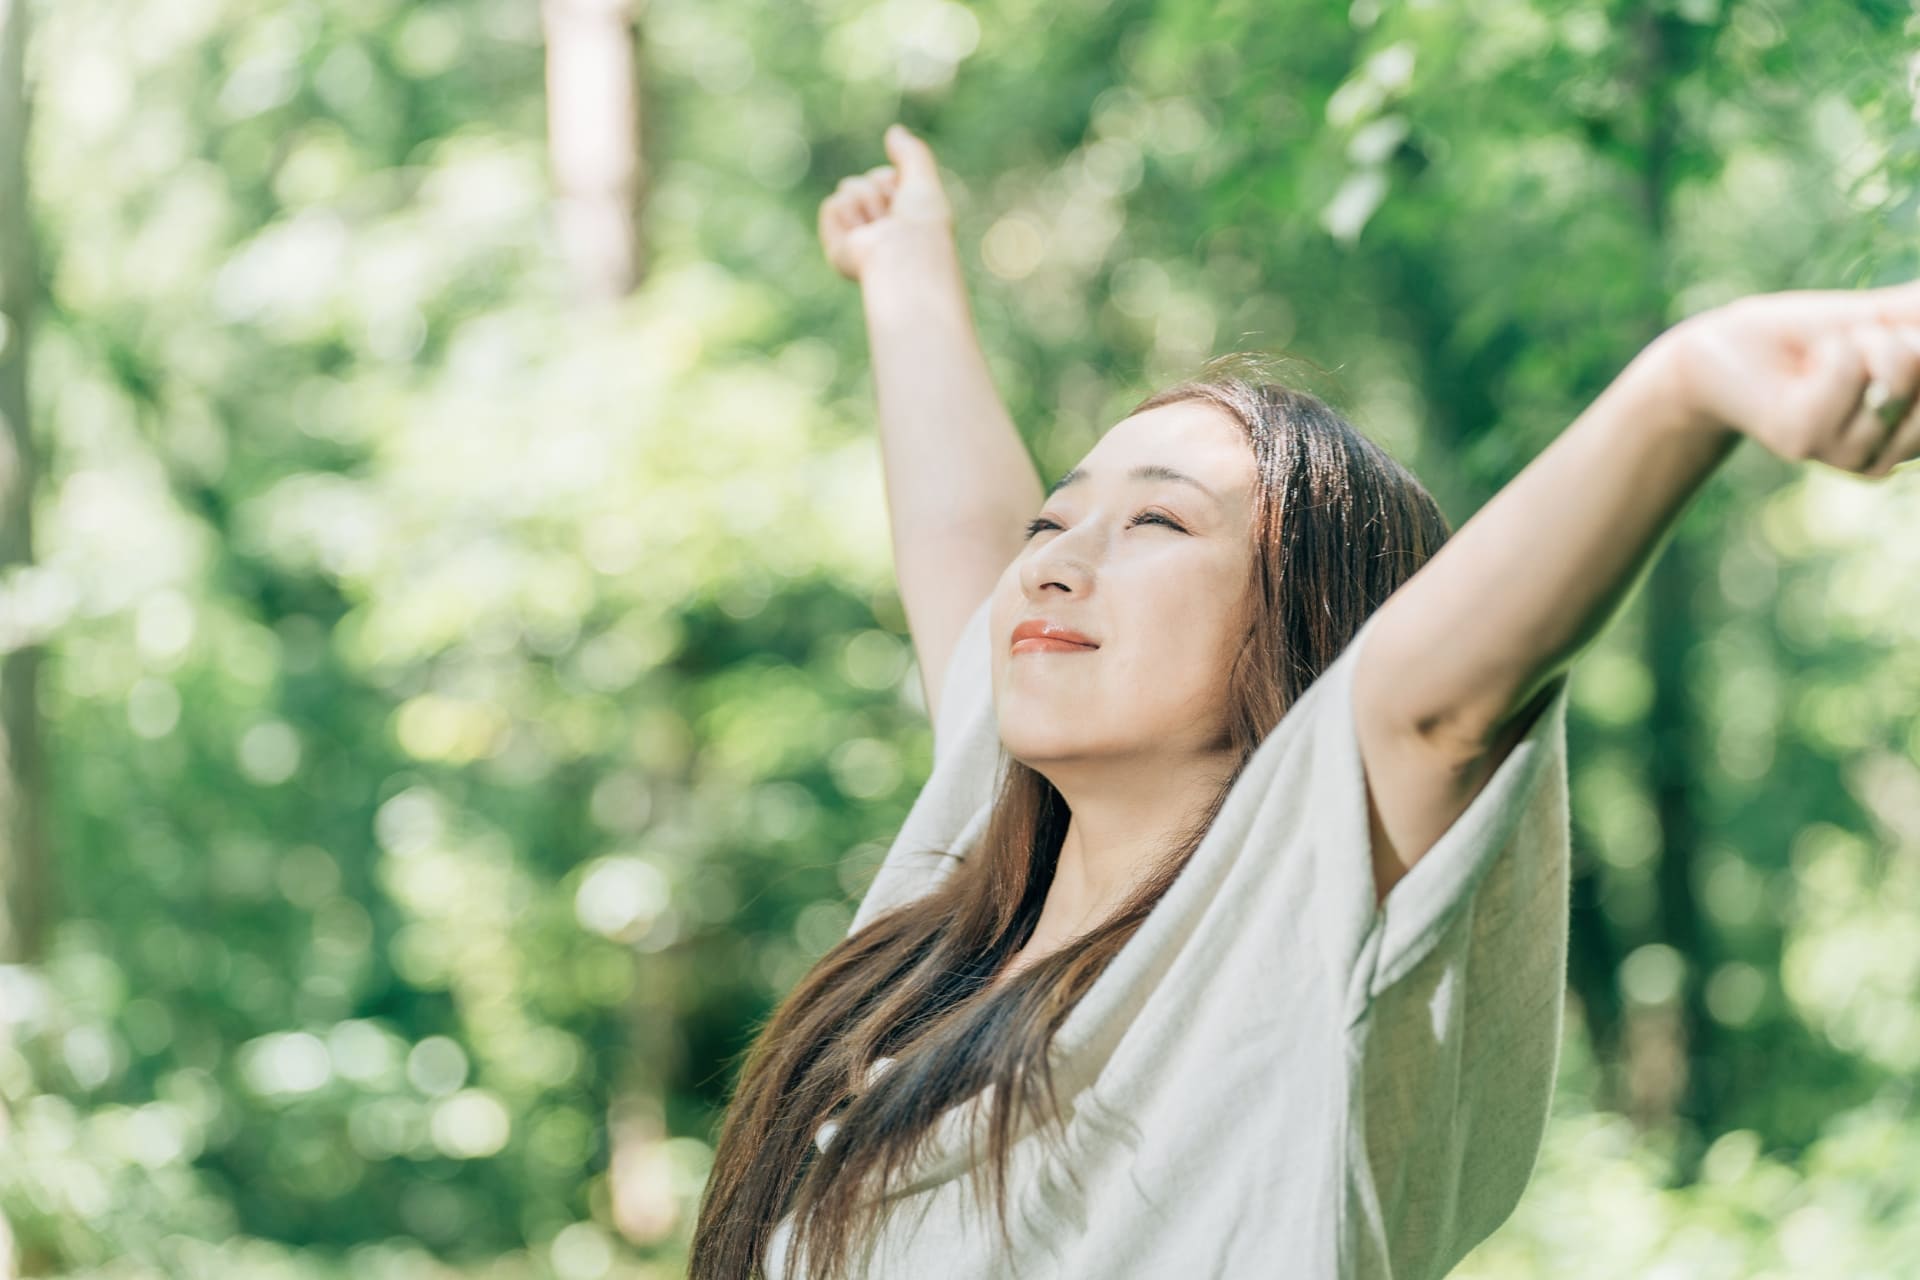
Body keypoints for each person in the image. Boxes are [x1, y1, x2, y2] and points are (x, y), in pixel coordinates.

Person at [688, 123, 1920, 1280]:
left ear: (1301, 632)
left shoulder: (1305, 945)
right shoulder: (960, 906)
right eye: (1054, 520)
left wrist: (1686, 389)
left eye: (1160, 520)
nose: (1055, 562)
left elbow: (1431, 701)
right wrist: (904, 274)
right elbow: (967, 538)